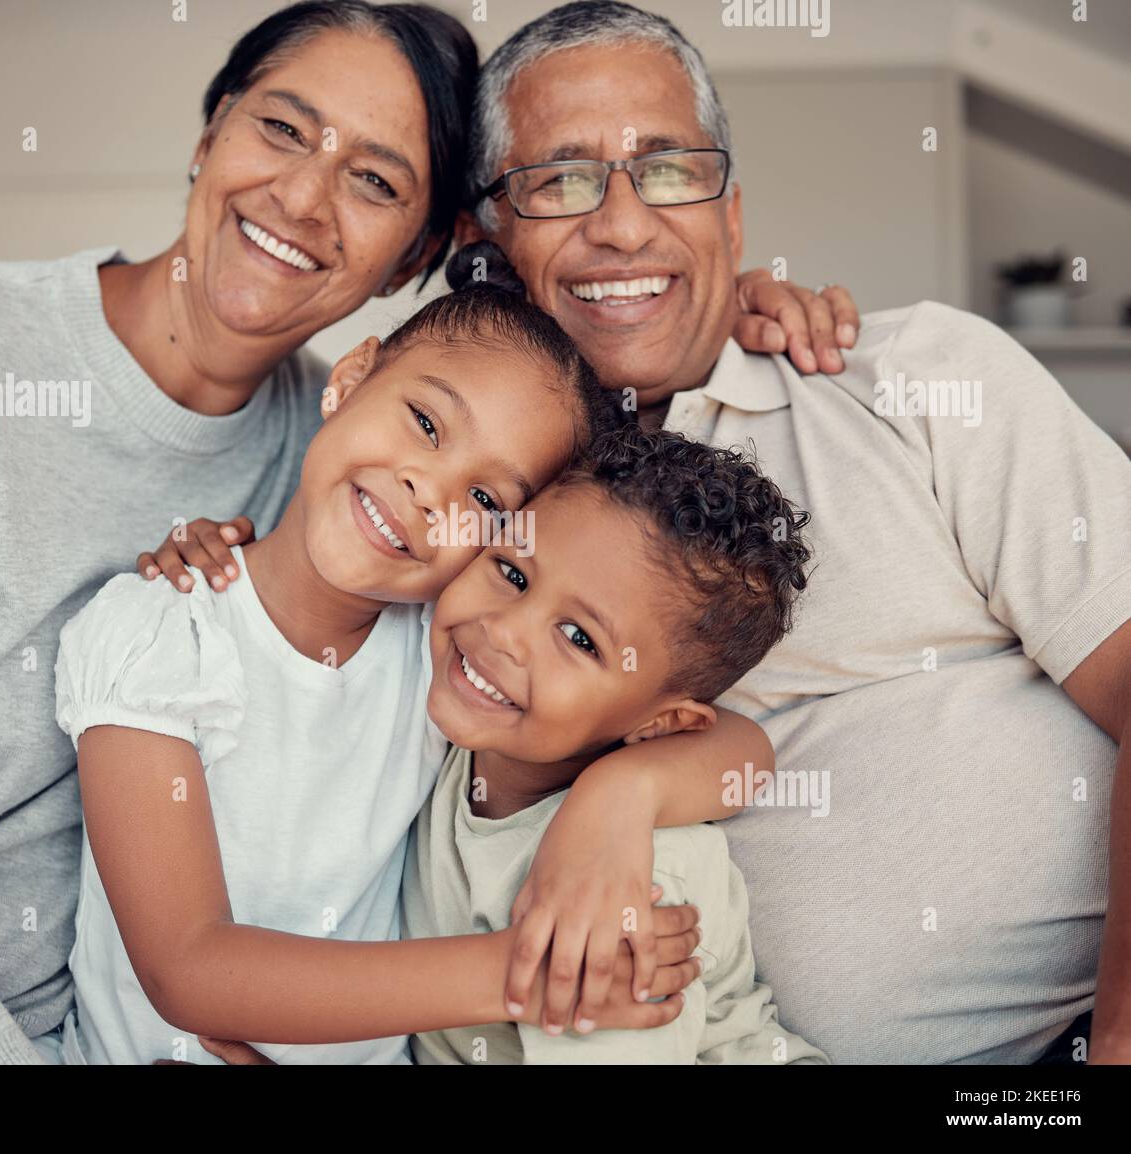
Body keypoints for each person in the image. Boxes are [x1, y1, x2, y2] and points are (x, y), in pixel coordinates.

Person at [0, 0, 856, 1064]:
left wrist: (713, 311)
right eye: (280, 128)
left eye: (375, 180)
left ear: (425, 249)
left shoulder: (386, 505)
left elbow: (663, 692)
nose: (303, 196)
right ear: (210, 132)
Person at [158, 0, 1131, 1063]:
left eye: (667, 169)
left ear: (732, 215)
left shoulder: (922, 383)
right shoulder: (483, 494)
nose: (623, 225)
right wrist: (217, 559)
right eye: (562, 179)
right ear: (485, 239)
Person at [55, 251, 762, 1064]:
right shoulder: (161, 633)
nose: (429, 489)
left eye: (486, 501)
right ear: (352, 377)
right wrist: (523, 974)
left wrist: (619, 800)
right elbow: (188, 970)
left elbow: (739, 746)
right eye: (426, 424)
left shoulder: (449, 649)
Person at [407, 423, 827, 1065]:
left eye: (579, 639)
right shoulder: (455, 716)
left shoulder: (638, 889)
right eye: (514, 574)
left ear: (660, 725)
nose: (504, 632)